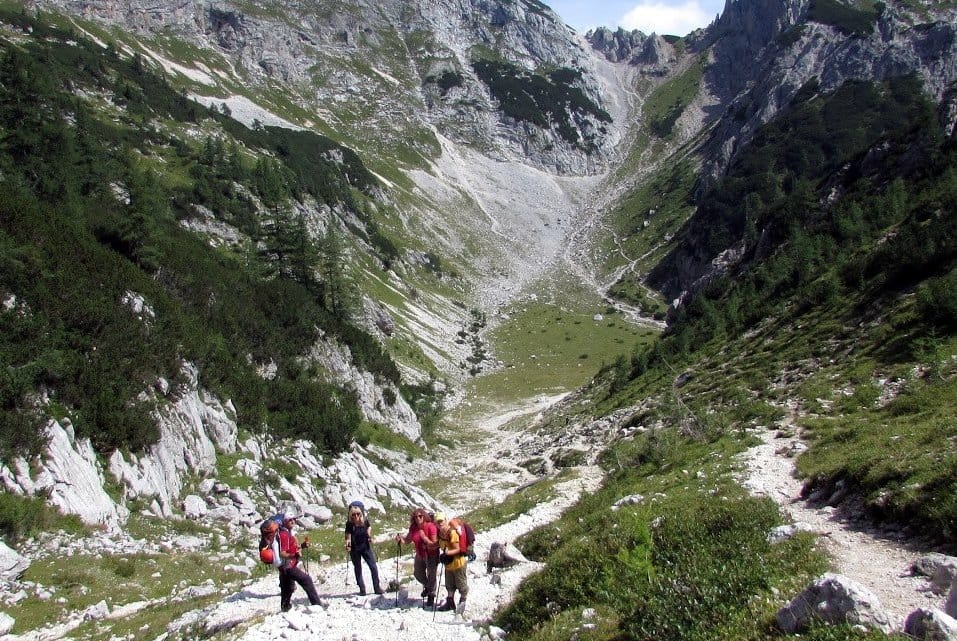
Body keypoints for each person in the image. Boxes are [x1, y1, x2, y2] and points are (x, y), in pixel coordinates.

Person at [276, 513, 322, 612]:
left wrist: (302, 546)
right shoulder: (284, 535)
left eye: (294, 519)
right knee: (306, 580)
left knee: (287, 589)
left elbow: (292, 549)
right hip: (288, 566)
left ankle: (285, 608)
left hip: (284, 567)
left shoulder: (287, 532)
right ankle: (317, 605)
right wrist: (294, 556)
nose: (293, 521)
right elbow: (282, 553)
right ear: (285, 521)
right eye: (290, 520)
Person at [394, 507, 439, 607]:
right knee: (418, 573)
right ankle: (428, 587)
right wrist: (400, 539)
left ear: (424, 516)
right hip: (419, 554)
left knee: (432, 574)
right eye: (416, 517)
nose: (418, 518)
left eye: (420, 516)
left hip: (431, 554)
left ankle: (431, 595)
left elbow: (434, 543)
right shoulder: (413, 528)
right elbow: (407, 540)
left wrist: (424, 538)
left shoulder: (431, 526)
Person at [344, 502, 385, 596]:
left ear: (361, 513)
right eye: (353, 514)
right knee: (358, 568)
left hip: (365, 547)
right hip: (354, 549)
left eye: (358, 513)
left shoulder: (365, 521)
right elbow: (348, 535)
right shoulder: (349, 524)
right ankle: (362, 589)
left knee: (373, 566)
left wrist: (369, 535)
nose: (356, 516)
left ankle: (377, 587)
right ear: (351, 515)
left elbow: (369, 527)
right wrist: (348, 543)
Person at [435, 512, 468, 613]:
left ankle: (462, 602)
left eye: (441, 521)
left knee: (461, 584)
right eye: (438, 521)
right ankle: (450, 602)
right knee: (449, 584)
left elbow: (457, 549)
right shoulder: (440, 534)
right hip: (449, 564)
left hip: (458, 563)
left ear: (445, 521)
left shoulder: (452, 533)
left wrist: (447, 553)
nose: (440, 523)